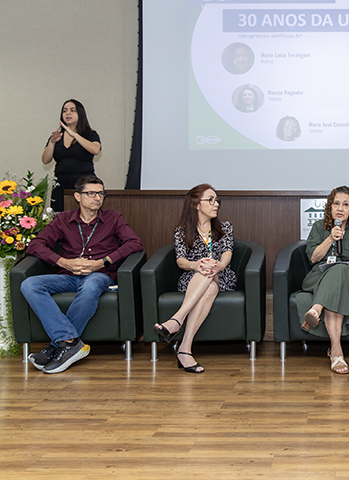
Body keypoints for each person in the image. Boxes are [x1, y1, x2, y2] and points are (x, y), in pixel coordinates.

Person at [21, 175, 143, 374]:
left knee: (91, 286)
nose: (97, 198)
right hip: (68, 275)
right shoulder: (63, 219)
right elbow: (35, 245)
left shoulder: (113, 218)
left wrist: (102, 262)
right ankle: (69, 341)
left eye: (101, 193)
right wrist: (64, 262)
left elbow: (135, 243)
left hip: (100, 275)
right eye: (91, 193)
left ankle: (58, 346)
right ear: (78, 196)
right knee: (29, 285)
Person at [152, 184, 236, 374]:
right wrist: (196, 264)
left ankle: (176, 320)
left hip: (223, 275)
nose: (216, 205)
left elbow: (227, 255)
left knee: (210, 272)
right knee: (209, 286)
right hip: (192, 278)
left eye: (217, 201)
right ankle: (184, 349)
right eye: (211, 200)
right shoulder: (182, 230)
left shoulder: (225, 227)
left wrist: (218, 265)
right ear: (197, 205)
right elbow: (181, 261)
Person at [297, 186, 349, 374]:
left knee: (341, 270)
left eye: (345, 204)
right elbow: (313, 258)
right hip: (319, 276)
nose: (340, 208)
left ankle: (316, 310)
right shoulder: (320, 227)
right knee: (337, 270)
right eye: (336, 204)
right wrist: (329, 239)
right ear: (330, 207)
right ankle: (336, 352)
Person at [42, 99, 101, 212]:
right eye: (65, 111)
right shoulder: (57, 136)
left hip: (84, 185)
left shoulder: (90, 134)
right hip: (61, 184)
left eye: (72, 110)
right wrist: (52, 142)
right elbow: (45, 160)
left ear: (80, 114)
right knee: (60, 219)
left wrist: (74, 134)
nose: (67, 113)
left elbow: (95, 150)